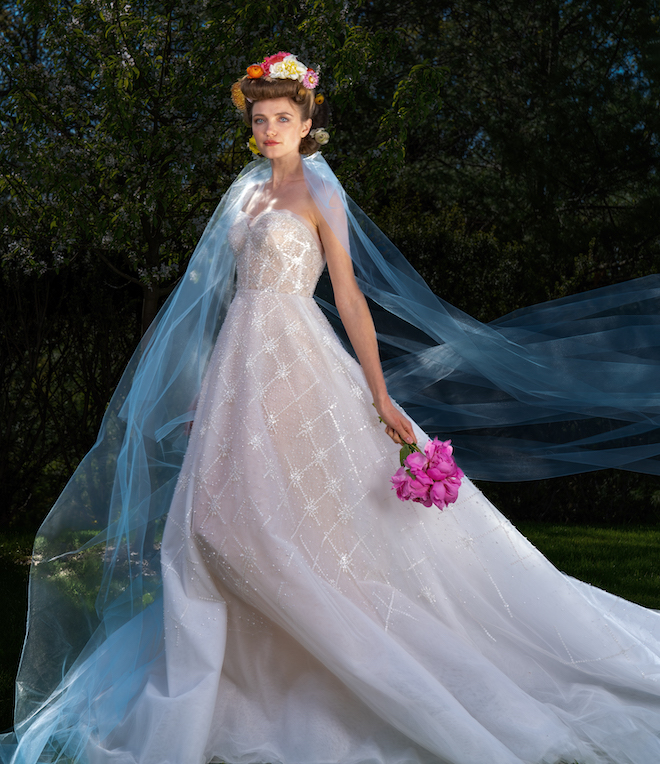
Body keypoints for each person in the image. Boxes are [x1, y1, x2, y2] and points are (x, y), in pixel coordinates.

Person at [4, 51, 660, 764]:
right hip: (238, 360)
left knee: (303, 509)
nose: (270, 130)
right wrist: (201, 386)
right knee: (214, 519)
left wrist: (379, 393)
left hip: (297, 354)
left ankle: (324, 646)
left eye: (283, 118)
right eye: (260, 120)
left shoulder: (321, 193)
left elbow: (346, 294)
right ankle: (236, 660)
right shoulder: (245, 195)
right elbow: (217, 296)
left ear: (308, 120)